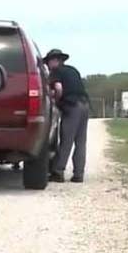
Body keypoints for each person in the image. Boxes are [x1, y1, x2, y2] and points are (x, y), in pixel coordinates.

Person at [43, 48, 89, 183]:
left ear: (54, 61)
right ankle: (78, 174)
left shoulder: (56, 72)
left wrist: (56, 101)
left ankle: (58, 172)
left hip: (72, 106)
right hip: (84, 105)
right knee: (80, 142)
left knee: (66, 140)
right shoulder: (73, 70)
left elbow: (58, 88)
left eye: (48, 63)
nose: (48, 66)